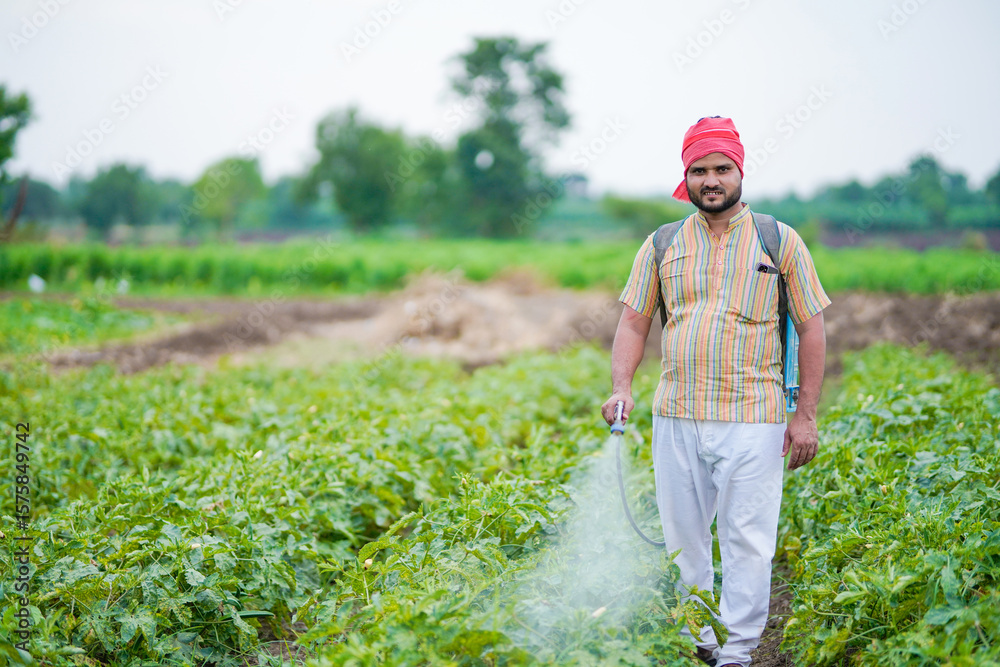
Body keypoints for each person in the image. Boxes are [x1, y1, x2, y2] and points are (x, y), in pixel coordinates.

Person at [601, 116, 831, 667]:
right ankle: (697, 637)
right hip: (676, 413)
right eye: (699, 170)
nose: (711, 180)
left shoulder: (780, 241)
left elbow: (812, 326)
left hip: (755, 415)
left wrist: (806, 416)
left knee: (748, 535)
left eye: (721, 169)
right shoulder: (662, 244)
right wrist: (622, 387)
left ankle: (739, 648)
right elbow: (634, 324)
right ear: (687, 176)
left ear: (739, 171)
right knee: (684, 536)